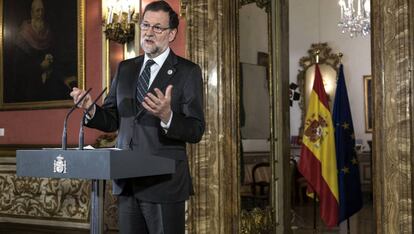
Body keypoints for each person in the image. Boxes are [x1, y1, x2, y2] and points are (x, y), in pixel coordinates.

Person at [70, 1, 205, 233]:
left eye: (157, 28)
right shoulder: (125, 68)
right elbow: (113, 119)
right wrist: (92, 109)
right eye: (145, 25)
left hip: (163, 183)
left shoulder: (187, 71)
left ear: (172, 34)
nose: (149, 32)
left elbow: (196, 129)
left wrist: (167, 116)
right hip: (127, 181)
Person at [8, 0, 73, 102]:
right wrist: (40, 67)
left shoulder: (48, 32)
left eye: (42, 10)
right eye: (37, 11)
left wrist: (50, 62)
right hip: (28, 87)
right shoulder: (23, 36)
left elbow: (57, 58)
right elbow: (18, 67)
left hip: (48, 86)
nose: (40, 14)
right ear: (32, 13)